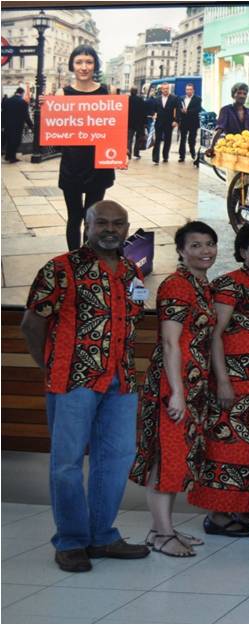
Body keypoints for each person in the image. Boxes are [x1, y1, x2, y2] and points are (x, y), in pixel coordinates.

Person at [21, 201, 150, 572]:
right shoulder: (60, 269)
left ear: (127, 228)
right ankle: (71, 541)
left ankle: (102, 536)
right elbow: (32, 324)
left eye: (118, 223)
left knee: (117, 458)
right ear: (87, 226)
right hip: (72, 380)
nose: (110, 229)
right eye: (102, 223)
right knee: (67, 464)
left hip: (121, 381)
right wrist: (49, 365)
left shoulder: (131, 272)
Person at [188, 223, 249, 535]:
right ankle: (219, 516)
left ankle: (243, 511)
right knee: (228, 449)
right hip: (235, 386)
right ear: (243, 252)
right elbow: (215, 336)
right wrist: (225, 381)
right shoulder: (229, 285)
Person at [128, 222, 217, 556]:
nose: (205, 251)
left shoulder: (199, 284)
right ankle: (163, 533)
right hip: (172, 381)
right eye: (195, 245)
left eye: (209, 244)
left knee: (175, 455)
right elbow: (169, 342)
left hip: (190, 383)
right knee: (166, 456)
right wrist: (177, 391)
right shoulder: (177, 285)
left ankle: (160, 528)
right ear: (181, 250)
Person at [59, 46, 116, 251]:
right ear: (72, 65)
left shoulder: (105, 91)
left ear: (95, 65)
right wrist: (48, 109)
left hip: (97, 164)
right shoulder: (62, 93)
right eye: (79, 62)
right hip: (72, 164)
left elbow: (113, 128)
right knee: (74, 216)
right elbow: (55, 131)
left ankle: (87, 255)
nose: (84, 67)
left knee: (92, 217)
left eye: (89, 62)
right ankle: (73, 258)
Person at [2, 87, 32, 163]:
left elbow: (3, 114)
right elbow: (26, 116)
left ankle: (8, 156)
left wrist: (2, 125)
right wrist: (31, 126)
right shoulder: (23, 102)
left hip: (7, 125)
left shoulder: (7, 101)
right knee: (16, 142)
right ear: (22, 93)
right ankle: (12, 158)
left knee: (9, 141)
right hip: (17, 126)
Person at [152, 82, 178, 165]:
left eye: (167, 88)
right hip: (159, 122)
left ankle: (165, 156)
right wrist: (154, 114)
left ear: (169, 89)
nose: (165, 90)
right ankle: (156, 158)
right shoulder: (157, 99)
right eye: (164, 89)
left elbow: (177, 110)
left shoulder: (174, 98)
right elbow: (154, 110)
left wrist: (175, 120)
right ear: (161, 89)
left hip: (169, 122)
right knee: (157, 140)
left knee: (167, 140)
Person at [177, 83, 202, 163]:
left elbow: (197, 109)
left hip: (193, 122)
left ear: (193, 90)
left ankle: (192, 152)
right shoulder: (181, 98)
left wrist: (187, 111)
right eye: (187, 89)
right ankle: (181, 156)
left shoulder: (198, 99)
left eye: (190, 89)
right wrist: (181, 111)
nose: (189, 91)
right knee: (182, 139)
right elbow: (178, 109)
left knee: (191, 139)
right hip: (183, 122)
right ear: (185, 90)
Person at [127, 87, 147, 160]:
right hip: (139, 124)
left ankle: (128, 154)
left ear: (130, 91)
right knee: (138, 139)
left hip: (129, 123)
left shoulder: (127, 99)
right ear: (137, 91)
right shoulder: (140, 100)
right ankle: (136, 153)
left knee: (129, 139)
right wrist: (145, 123)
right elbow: (144, 112)